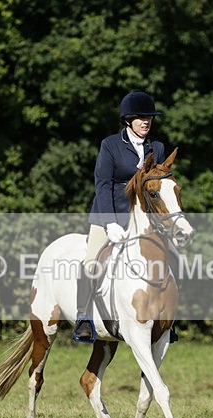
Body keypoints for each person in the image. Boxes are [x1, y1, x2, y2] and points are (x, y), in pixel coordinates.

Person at [73, 90, 165, 343]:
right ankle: (84, 318)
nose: (146, 122)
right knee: (91, 262)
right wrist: (110, 222)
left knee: (169, 259)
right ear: (127, 120)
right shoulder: (111, 145)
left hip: (142, 220)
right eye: (140, 118)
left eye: (149, 118)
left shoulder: (157, 147)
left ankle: (167, 319)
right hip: (109, 214)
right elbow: (102, 185)